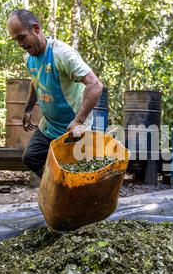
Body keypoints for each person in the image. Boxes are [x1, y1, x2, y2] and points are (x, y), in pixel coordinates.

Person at [7, 9, 103, 178]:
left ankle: (68, 191)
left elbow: (95, 85)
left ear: (35, 29)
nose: (19, 44)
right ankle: (56, 187)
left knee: (75, 173)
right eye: (16, 40)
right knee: (31, 157)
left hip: (73, 129)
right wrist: (28, 109)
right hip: (49, 127)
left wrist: (78, 121)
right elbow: (36, 81)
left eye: (21, 37)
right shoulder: (29, 58)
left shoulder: (62, 54)